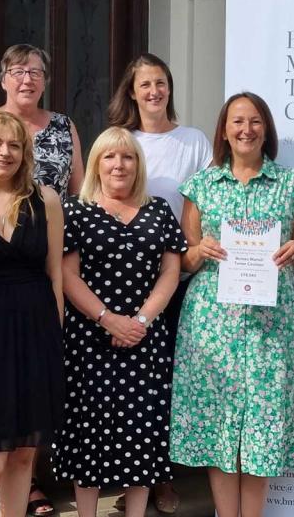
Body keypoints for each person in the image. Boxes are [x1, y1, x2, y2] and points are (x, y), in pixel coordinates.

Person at [169, 92, 294, 517]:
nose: (246, 130)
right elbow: (184, 258)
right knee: (221, 424)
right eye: (237, 121)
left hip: (271, 323)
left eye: (255, 121)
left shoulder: (292, 183)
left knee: (260, 427)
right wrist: (203, 250)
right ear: (223, 130)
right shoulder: (201, 185)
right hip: (213, 322)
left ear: (266, 129)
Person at [0, 43, 81, 515]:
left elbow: (55, 275)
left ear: (24, 151)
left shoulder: (45, 199)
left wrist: (57, 336)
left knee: (25, 456)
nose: (5, 152)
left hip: (36, 334)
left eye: (14, 145)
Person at [51, 126, 187, 517]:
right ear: (96, 163)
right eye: (110, 156)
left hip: (146, 338)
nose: (119, 164)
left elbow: (169, 273)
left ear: (137, 164)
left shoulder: (158, 209)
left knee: (142, 430)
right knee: (89, 430)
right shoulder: (74, 210)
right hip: (89, 338)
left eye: (127, 156)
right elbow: (68, 274)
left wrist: (141, 320)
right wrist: (108, 319)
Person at [108, 53, 211, 514]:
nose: (154, 91)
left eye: (161, 83)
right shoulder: (120, 141)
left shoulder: (193, 141)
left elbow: (208, 198)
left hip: (182, 276)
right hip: (123, 285)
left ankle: (163, 478)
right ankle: (128, 479)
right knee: (129, 388)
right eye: (145, 84)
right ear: (132, 91)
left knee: (170, 383)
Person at [0, 43, 84, 199]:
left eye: (35, 72)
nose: (27, 79)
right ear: (3, 81)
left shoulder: (64, 126)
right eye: (18, 72)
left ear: (45, 82)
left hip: (55, 221)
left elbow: (79, 191)